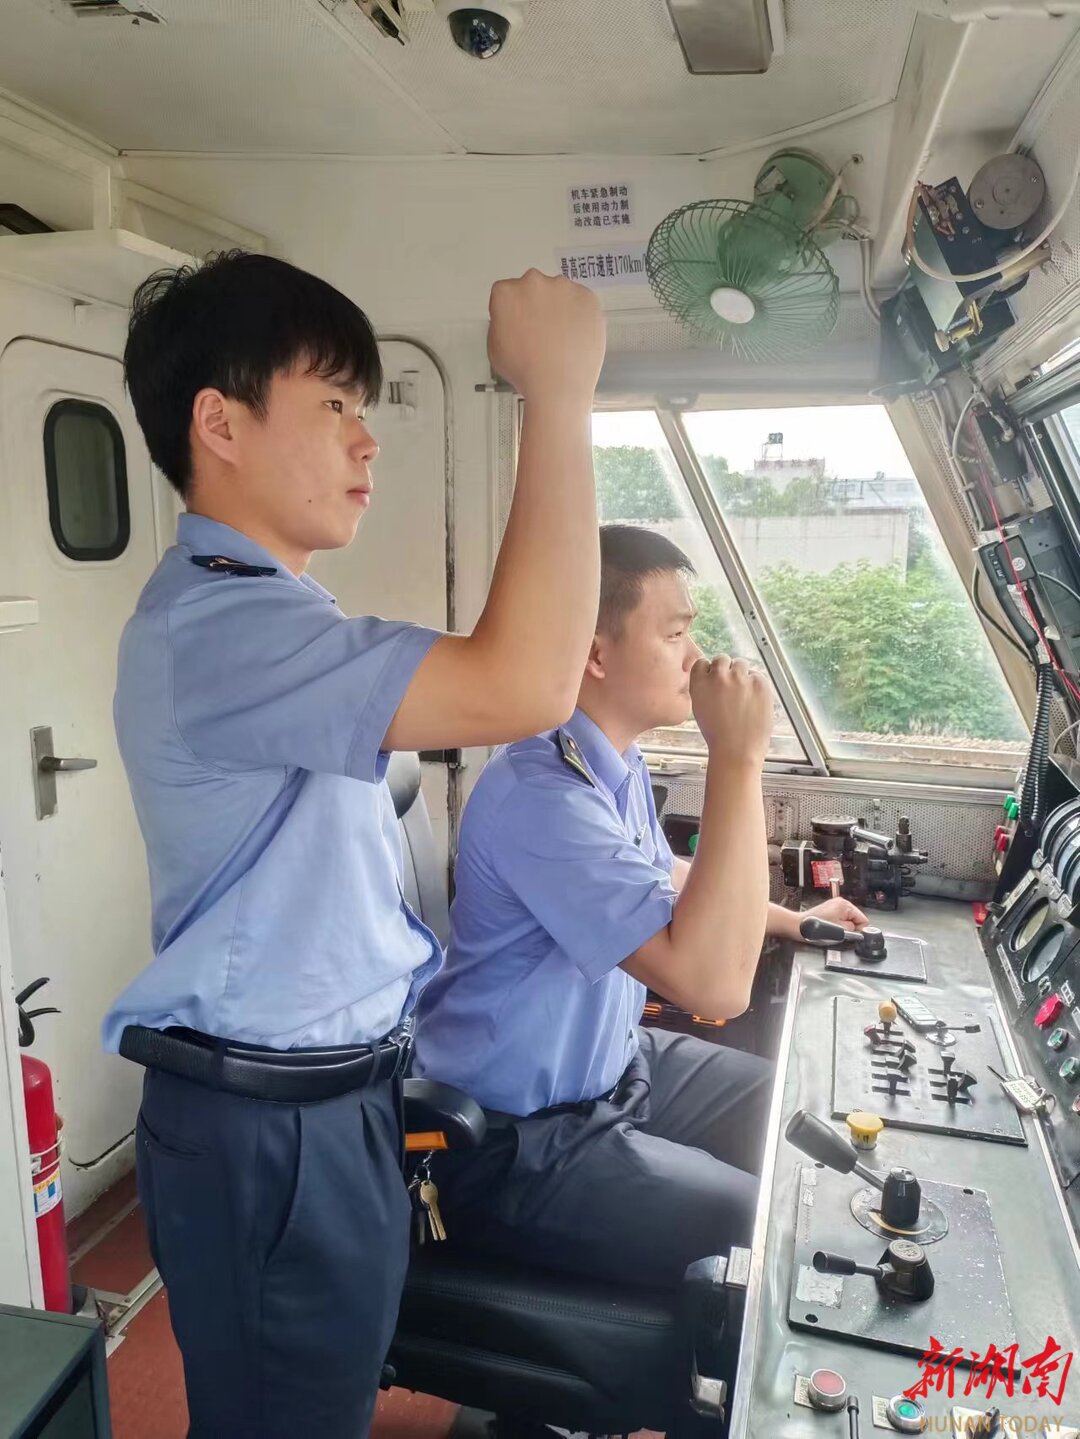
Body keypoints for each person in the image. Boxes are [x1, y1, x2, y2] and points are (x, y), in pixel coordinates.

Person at [101, 251, 605, 1437]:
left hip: (329, 1107)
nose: (364, 443)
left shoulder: (274, 611)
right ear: (218, 423)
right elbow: (526, 683)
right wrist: (560, 390)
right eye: (335, 406)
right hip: (266, 1130)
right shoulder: (219, 627)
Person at [413, 524, 867, 1288]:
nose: (694, 658)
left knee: (799, 1104)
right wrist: (738, 755)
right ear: (595, 653)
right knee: (768, 1224)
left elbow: (663, 877)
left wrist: (791, 919)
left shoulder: (611, 763)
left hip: (616, 1071)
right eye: (676, 633)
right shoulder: (541, 795)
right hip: (511, 1138)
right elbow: (714, 985)